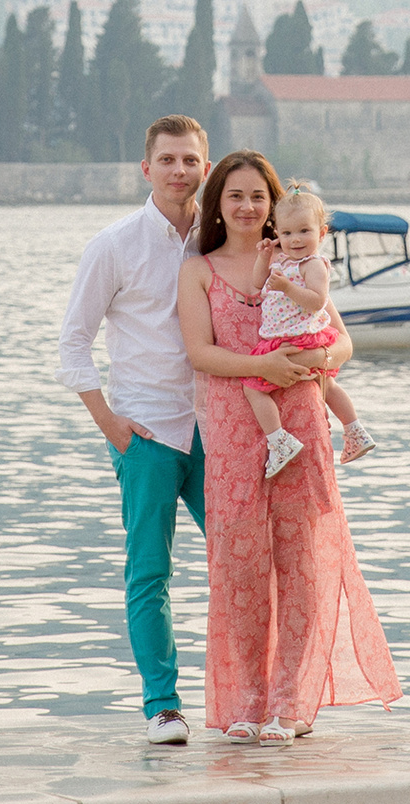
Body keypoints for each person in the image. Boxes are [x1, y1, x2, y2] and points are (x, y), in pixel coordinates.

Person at [53, 115, 310, 745]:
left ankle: (267, 700)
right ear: (146, 168)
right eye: (166, 160)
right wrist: (110, 423)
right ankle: (162, 706)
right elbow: (72, 344)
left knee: (247, 563)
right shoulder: (113, 245)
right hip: (146, 431)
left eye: (190, 161)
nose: (179, 171)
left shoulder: (220, 239)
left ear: (206, 166)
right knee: (150, 571)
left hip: (223, 428)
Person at [179, 149, 400, 740]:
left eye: (258, 197)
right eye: (235, 196)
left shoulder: (302, 261)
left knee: (301, 562)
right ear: (217, 204)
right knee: (240, 566)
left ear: (275, 208)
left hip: (301, 416)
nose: (248, 207)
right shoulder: (199, 269)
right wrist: (267, 365)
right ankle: (245, 704)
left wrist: (319, 359)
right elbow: (199, 353)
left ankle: (292, 704)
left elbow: (343, 342)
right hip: (230, 425)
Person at [243, 182, 378, 477]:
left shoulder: (313, 265)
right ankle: (354, 431)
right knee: (325, 386)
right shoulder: (282, 261)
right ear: (276, 233)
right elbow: (256, 284)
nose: (296, 239)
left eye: (304, 231)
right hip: (288, 339)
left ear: (321, 233)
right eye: (287, 233)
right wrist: (264, 257)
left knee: (252, 387)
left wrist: (288, 287)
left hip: (301, 338)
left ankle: (279, 440)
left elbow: (317, 301)